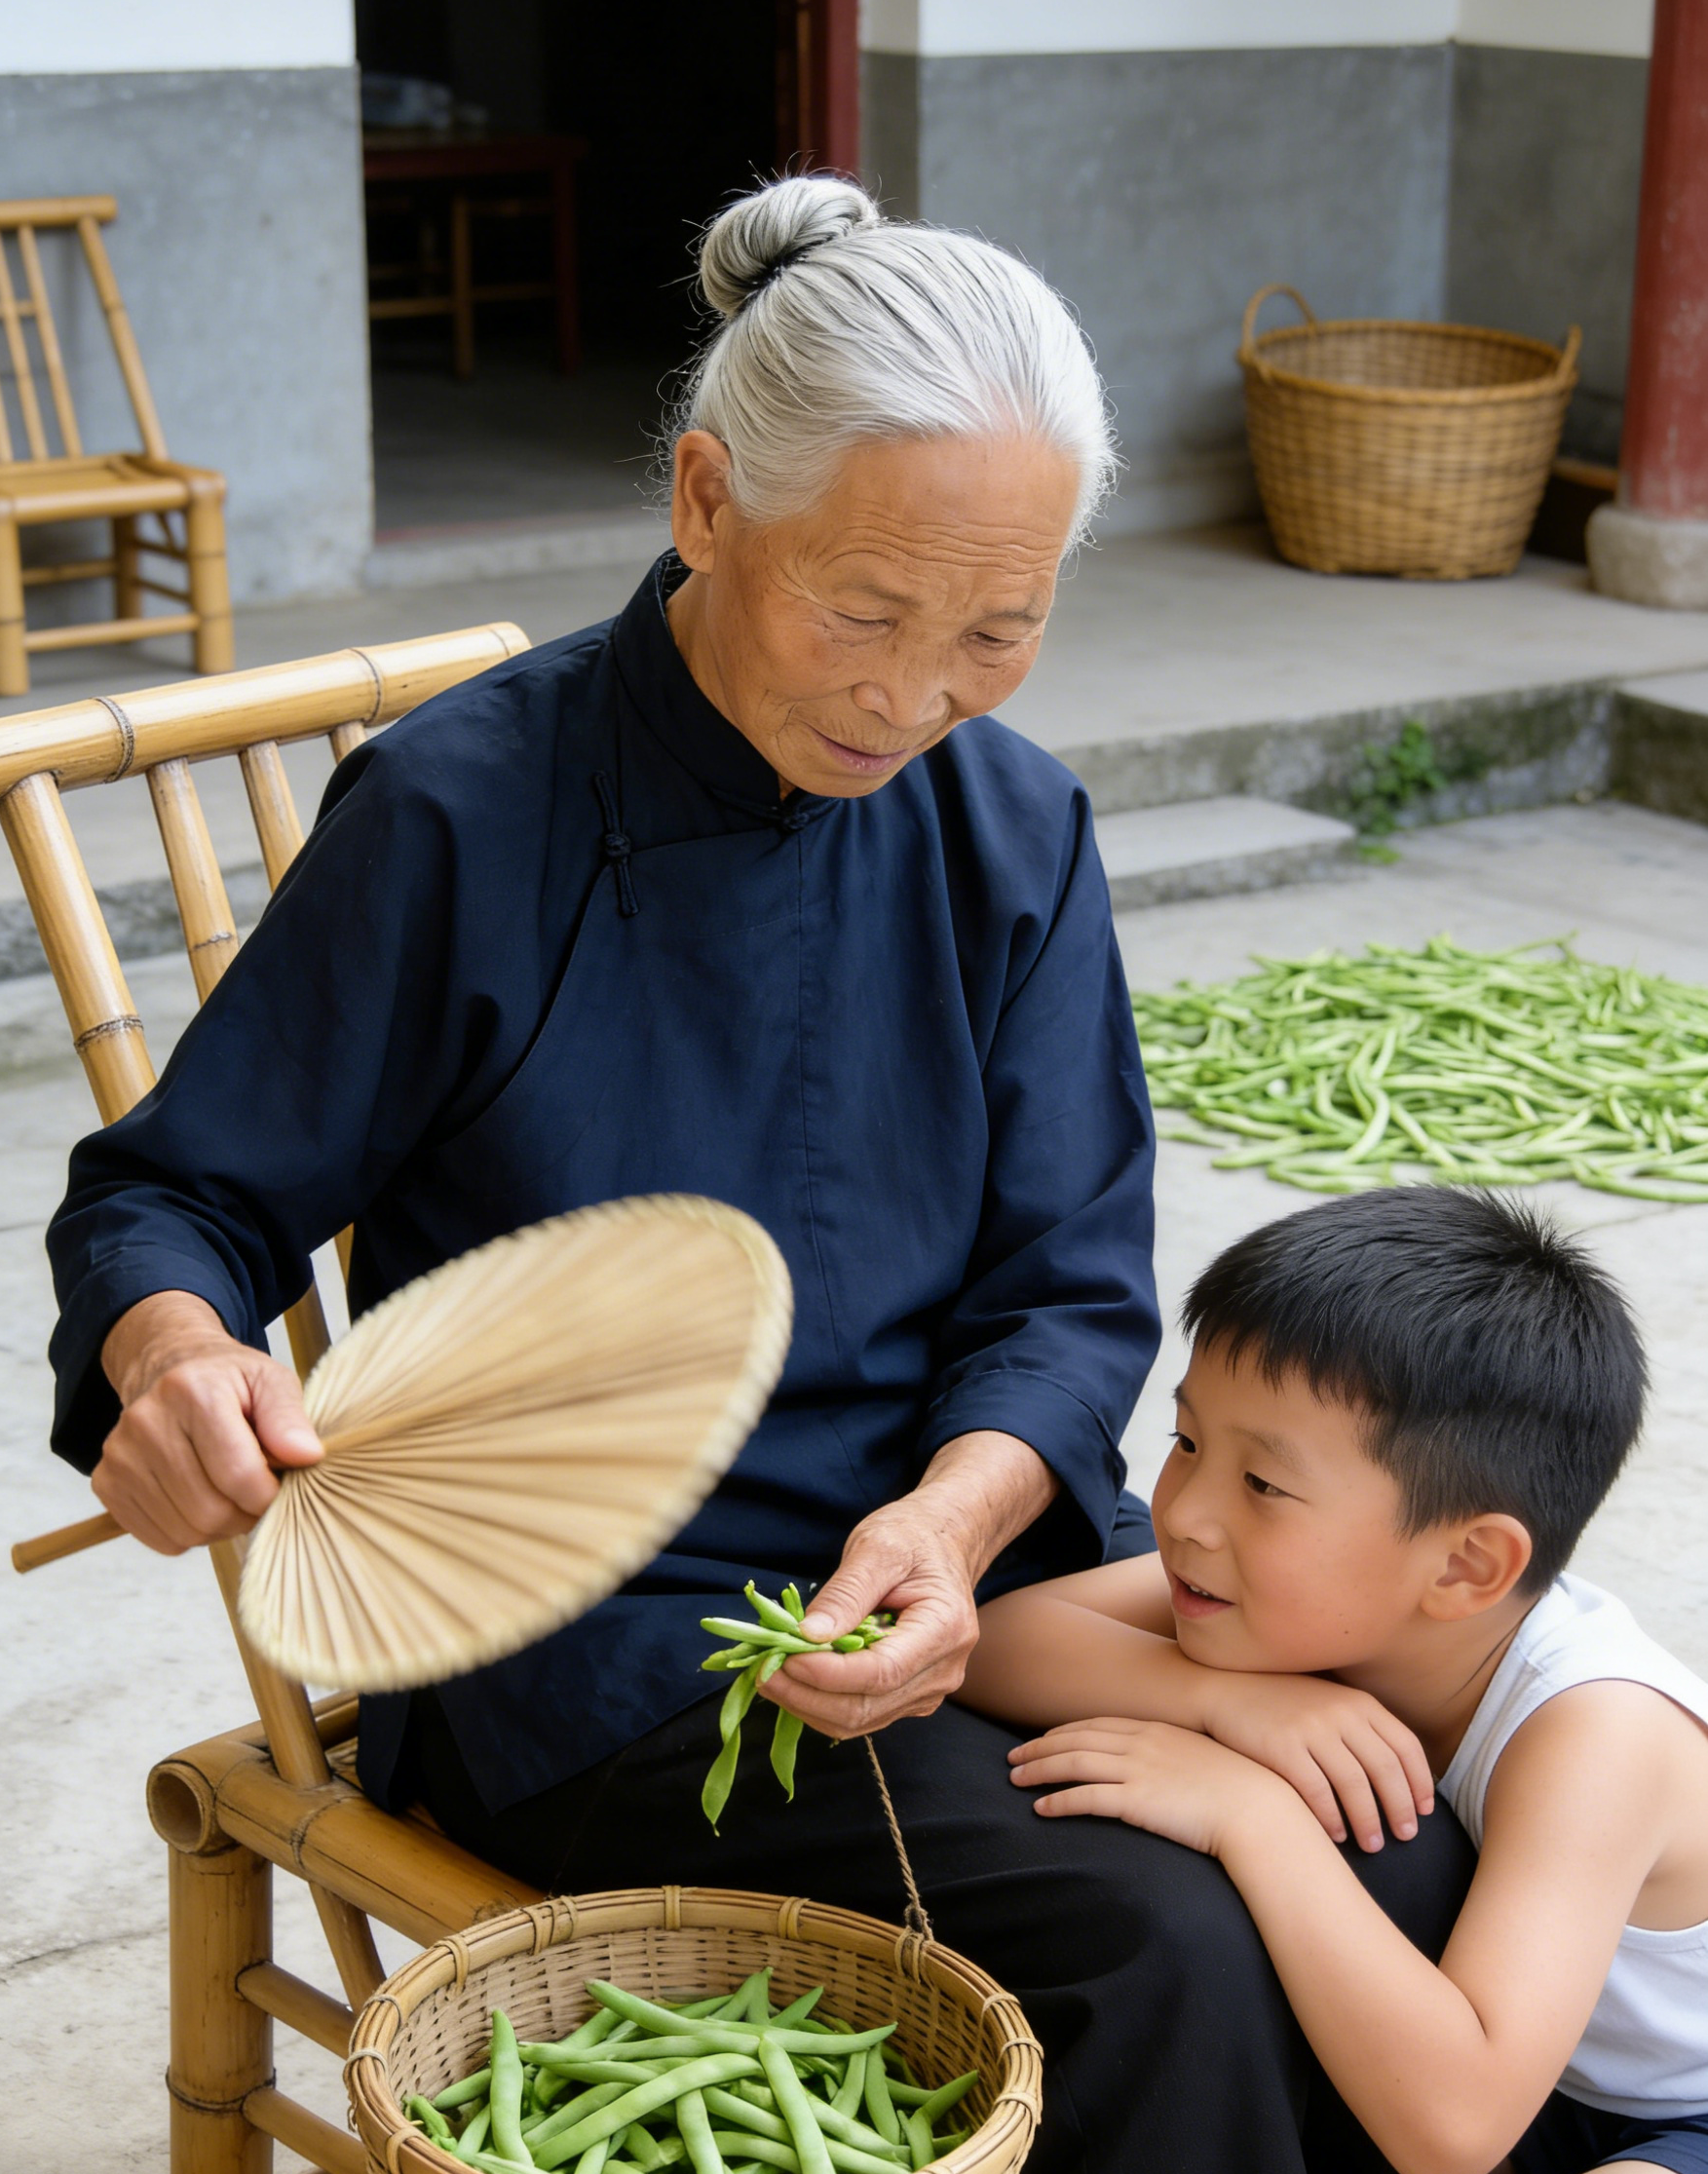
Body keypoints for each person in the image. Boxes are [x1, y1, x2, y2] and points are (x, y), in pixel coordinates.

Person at [48, 175, 1468, 2171]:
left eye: (998, 628)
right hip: (606, 1638)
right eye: (864, 610)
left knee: (1402, 1854)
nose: (913, 695)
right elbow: (174, 1198)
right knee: (1162, 1948)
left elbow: (1068, 1293)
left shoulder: (1014, 826)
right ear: (708, 500)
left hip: (970, 1573)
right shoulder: (463, 809)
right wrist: (174, 1354)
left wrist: (954, 1526)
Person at [966, 1187, 1708, 2174]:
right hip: (1509, 2066)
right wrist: (1217, 1697)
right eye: (1186, 1441)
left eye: (1262, 1483)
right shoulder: (1284, 1594)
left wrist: (1249, 1812)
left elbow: (1455, 2129)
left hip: (1666, 2106)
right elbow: (989, 1640)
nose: (1182, 1514)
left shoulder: (1596, 1734)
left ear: (1464, 1565)